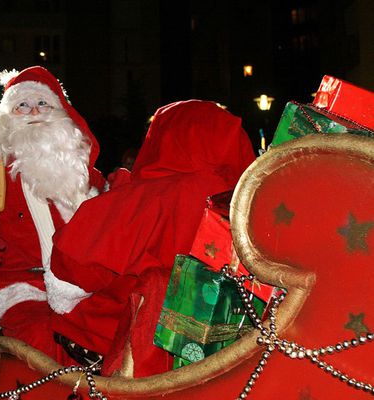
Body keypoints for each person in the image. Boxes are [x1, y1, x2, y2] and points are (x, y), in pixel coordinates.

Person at [49, 100, 256, 376]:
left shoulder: (141, 199)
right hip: (218, 358)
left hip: (113, 347)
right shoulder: (250, 203)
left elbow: (73, 268)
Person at [0, 66, 105, 361]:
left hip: (82, 281)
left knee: (118, 319)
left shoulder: (85, 174)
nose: (34, 112)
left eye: (43, 104)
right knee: (44, 335)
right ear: (7, 117)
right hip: (15, 283)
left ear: (61, 113)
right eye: (22, 105)